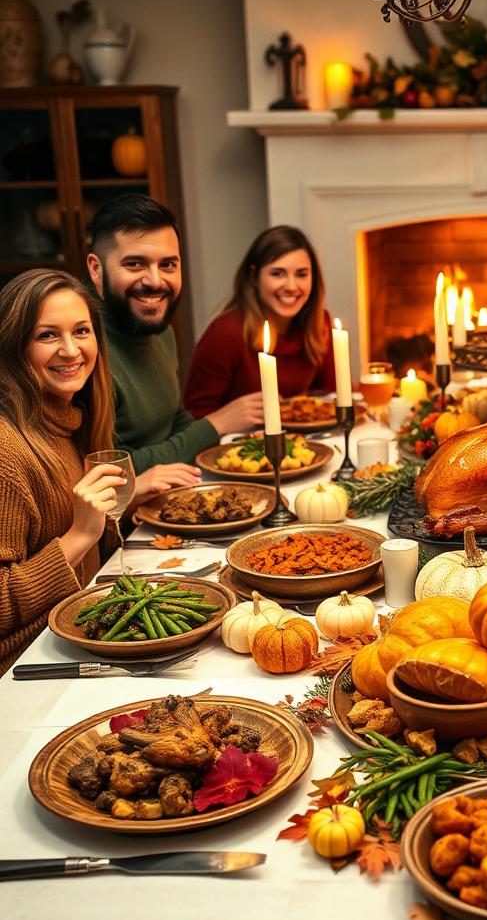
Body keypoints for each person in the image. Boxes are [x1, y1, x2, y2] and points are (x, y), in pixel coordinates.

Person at [0, 270, 197, 674]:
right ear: (13, 347)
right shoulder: (7, 452)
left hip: (82, 633)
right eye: (47, 335)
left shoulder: (70, 418)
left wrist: (124, 501)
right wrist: (80, 535)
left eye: (82, 331)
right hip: (29, 667)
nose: (71, 350)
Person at [85, 194, 264, 474]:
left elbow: (174, 419)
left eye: (168, 264)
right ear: (97, 270)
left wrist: (234, 445)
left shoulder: (161, 332)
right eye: (135, 264)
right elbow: (110, 468)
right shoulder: (81, 350)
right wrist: (217, 424)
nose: (155, 281)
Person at [184, 226, 333, 417]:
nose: (291, 286)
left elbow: (329, 399)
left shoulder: (319, 324)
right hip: (240, 442)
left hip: (306, 441)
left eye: (302, 274)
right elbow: (196, 416)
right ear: (254, 277)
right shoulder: (225, 333)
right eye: (277, 273)